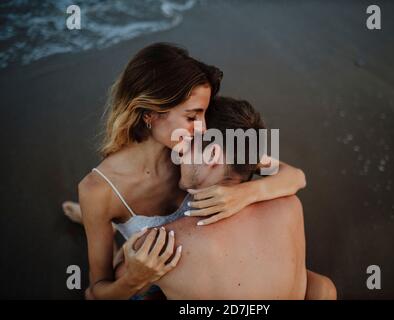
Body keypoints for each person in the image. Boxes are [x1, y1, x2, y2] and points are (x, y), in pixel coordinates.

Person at [62, 43, 307, 299]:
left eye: (203, 115)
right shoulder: (98, 191)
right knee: (124, 262)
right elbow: (97, 293)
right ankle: (101, 226)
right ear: (150, 113)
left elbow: (294, 176)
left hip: (199, 274)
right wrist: (135, 279)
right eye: (192, 117)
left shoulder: (194, 150)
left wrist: (246, 193)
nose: (203, 128)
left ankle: (108, 231)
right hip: (148, 277)